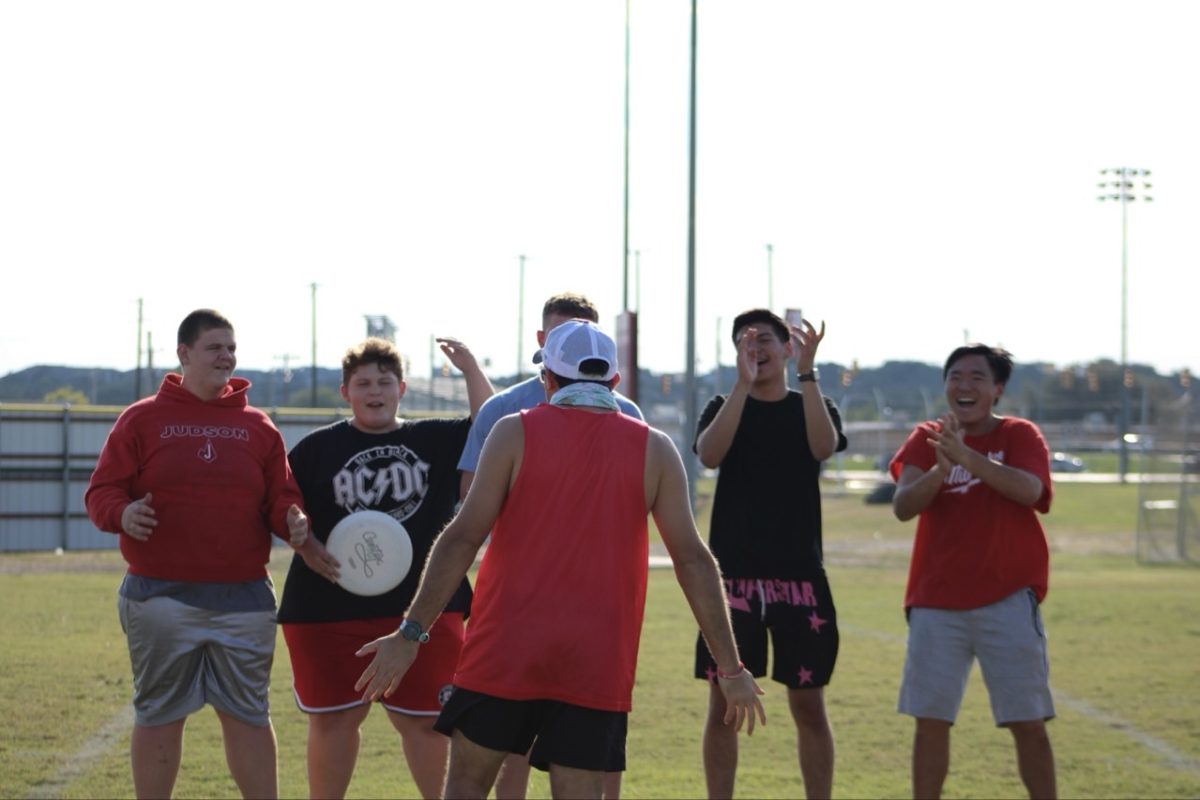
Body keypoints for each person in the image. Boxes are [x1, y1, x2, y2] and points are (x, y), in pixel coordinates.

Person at [356, 319, 766, 800]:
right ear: (613, 382)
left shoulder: (513, 432)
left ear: (547, 379)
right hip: (598, 657)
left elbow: (463, 537)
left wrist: (411, 633)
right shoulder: (655, 447)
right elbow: (694, 562)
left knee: (466, 784)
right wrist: (731, 670)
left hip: (506, 647)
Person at [85, 308, 313, 799]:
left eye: (231, 347)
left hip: (245, 599)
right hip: (160, 598)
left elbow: (282, 498)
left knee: (249, 716)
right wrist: (123, 514)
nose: (227, 356)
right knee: (160, 715)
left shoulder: (259, 427)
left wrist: (292, 520)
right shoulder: (141, 418)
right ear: (184, 354)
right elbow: (101, 492)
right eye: (215, 347)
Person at [276, 336, 493, 799]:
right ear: (345, 392)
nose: (374, 391)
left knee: (430, 724)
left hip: (424, 608)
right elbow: (283, 501)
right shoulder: (316, 448)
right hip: (327, 609)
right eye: (363, 383)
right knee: (334, 721)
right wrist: (301, 534)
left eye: (384, 381)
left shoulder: (435, 437)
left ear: (402, 388)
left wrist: (471, 368)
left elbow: (489, 426)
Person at [456, 292, 641, 800]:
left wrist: (411, 629)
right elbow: (470, 508)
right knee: (510, 753)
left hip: (582, 621)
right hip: (521, 609)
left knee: (583, 760)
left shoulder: (632, 423)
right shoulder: (504, 412)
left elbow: (462, 530)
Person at [889, 344, 1056, 799]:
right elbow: (903, 506)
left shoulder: (1020, 434)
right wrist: (940, 471)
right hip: (935, 603)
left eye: (977, 377)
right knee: (931, 723)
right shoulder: (926, 436)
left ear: (997, 389)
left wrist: (968, 458)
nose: (964, 385)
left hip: (1007, 599)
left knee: (1027, 723)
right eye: (955, 376)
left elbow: (1030, 490)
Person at [694, 308, 847, 800]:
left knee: (809, 704)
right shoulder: (724, 403)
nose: (754, 348)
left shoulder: (811, 402)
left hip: (799, 576)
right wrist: (741, 385)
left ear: (787, 348)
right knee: (723, 705)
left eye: (764, 340)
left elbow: (823, 447)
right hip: (732, 580)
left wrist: (809, 372)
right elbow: (709, 455)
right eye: (743, 341)